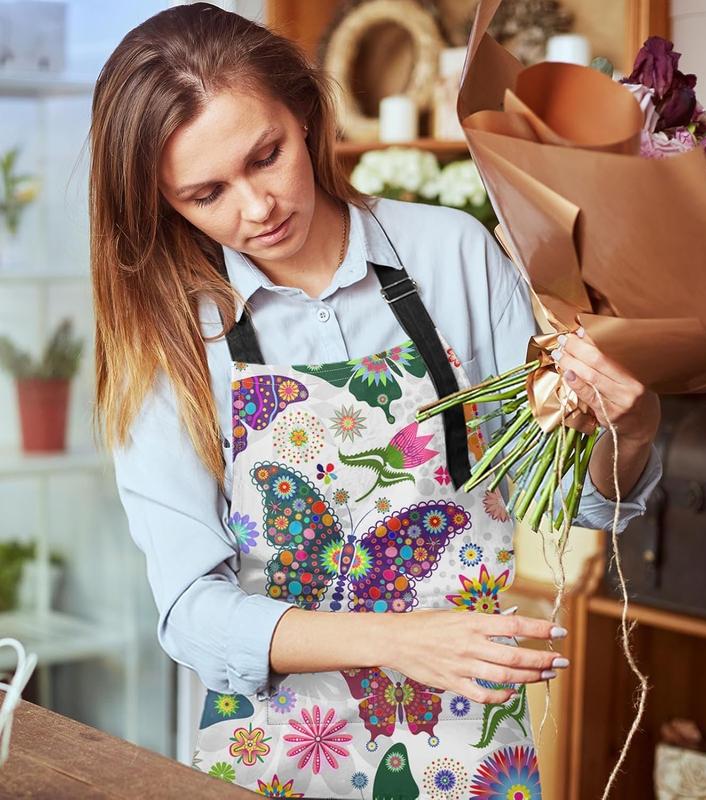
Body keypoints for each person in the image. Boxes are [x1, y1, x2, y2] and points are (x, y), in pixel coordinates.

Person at [91, 4, 662, 798]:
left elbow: (566, 502)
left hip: (469, 744)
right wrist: (396, 642)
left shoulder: (453, 254)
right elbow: (191, 613)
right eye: (206, 194)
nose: (257, 208)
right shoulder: (172, 344)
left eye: (268, 155)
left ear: (307, 113)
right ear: (163, 202)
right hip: (279, 754)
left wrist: (630, 429)